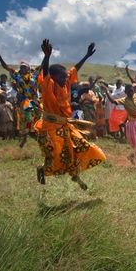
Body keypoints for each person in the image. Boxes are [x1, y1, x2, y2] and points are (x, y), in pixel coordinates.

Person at [35, 39, 106, 189]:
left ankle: (76, 175)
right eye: (62, 77)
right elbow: (45, 72)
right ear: (53, 78)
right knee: (57, 155)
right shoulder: (49, 85)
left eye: (66, 77)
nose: (66, 79)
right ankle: (42, 169)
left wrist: (87, 56)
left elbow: (74, 70)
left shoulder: (65, 83)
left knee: (80, 147)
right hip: (50, 128)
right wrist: (47, 57)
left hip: (65, 125)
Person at [0, 52, 41, 148]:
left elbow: (43, 66)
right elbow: (5, 67)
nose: (22, 68)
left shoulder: (34, 74)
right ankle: (25, 137)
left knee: (38, 117)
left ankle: (34, 134)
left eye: (24, 67)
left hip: (34, 101)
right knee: (26, 119)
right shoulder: (16, 75)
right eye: (21, 67)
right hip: (24, 101)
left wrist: (47, 56)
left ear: (28, 68)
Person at [103, 84, 136, 164]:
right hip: (133, 123)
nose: (131, 92)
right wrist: (106, 92)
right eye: (129, 91)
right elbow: (113, 101)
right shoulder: (124, 100)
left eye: (132, 90)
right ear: (126, 92)